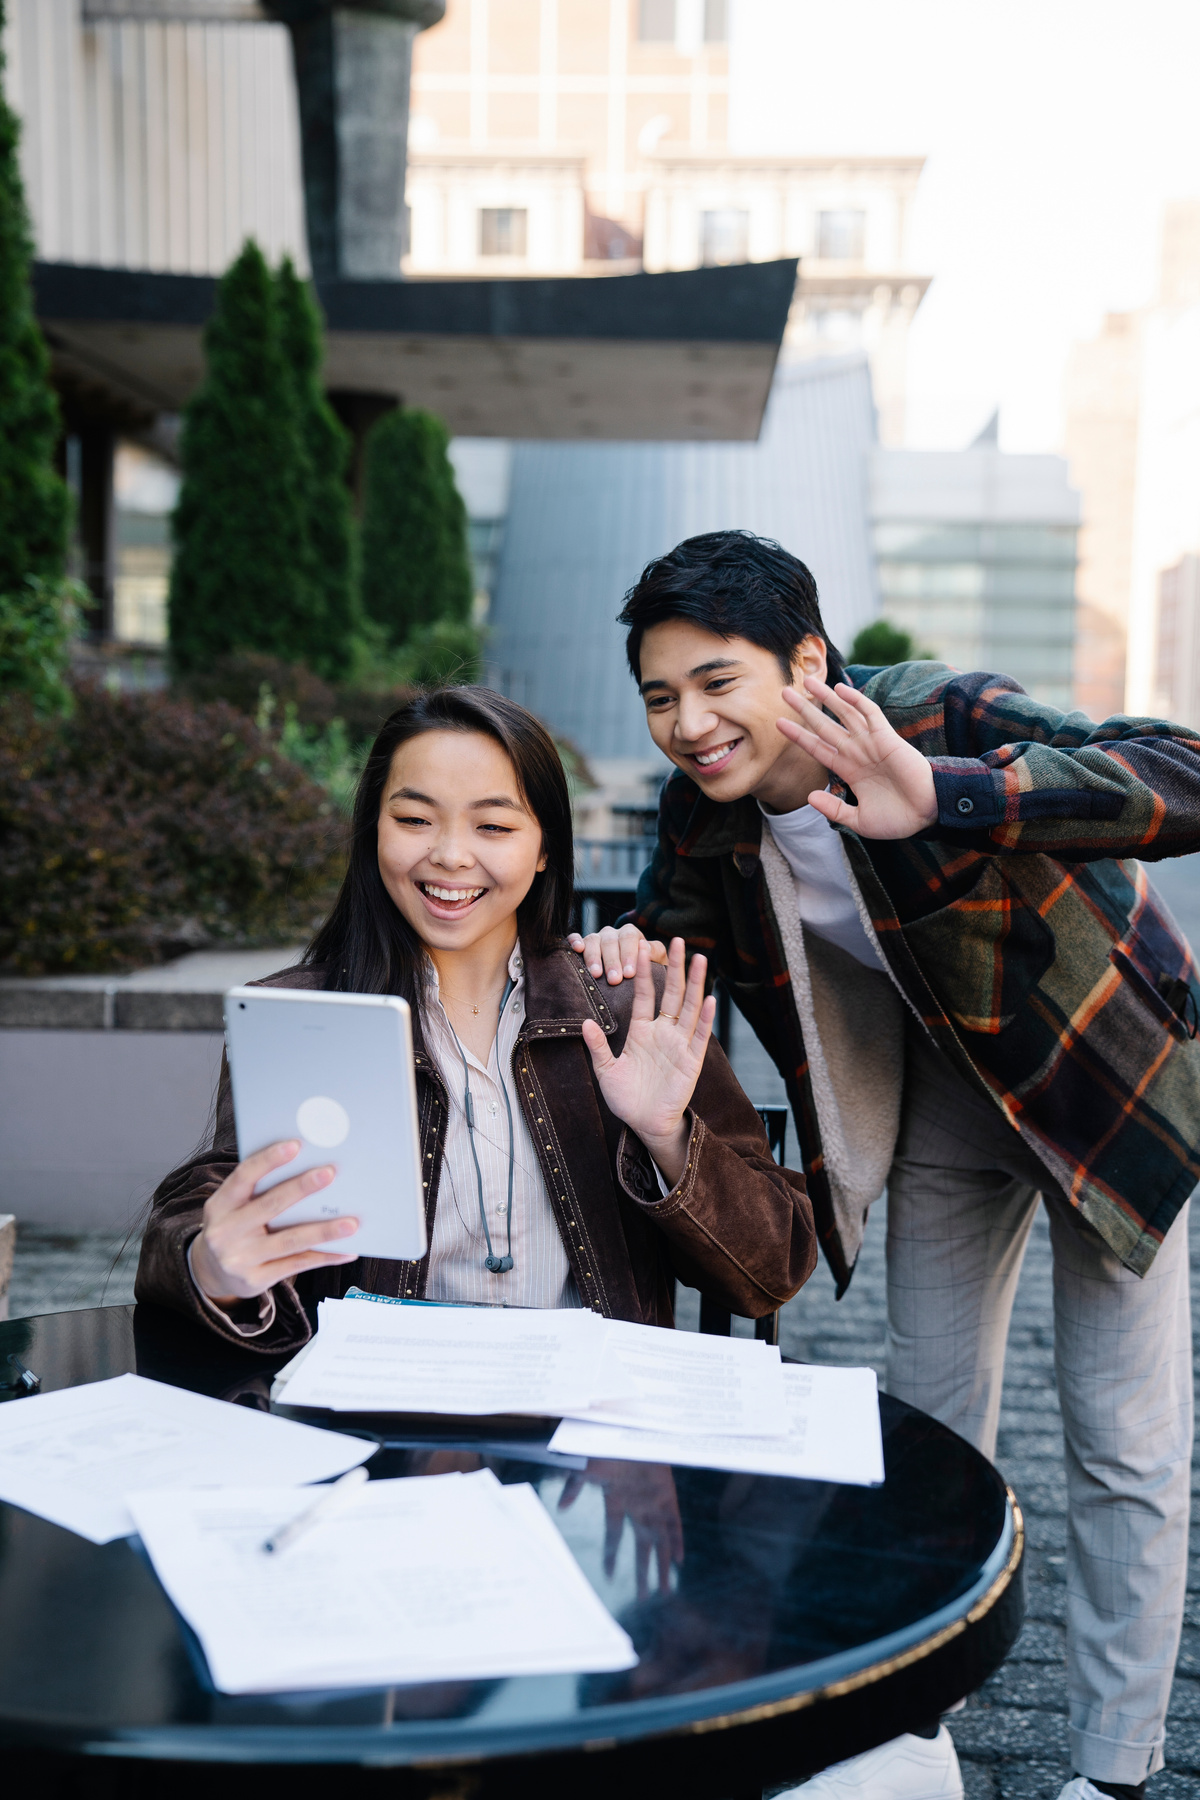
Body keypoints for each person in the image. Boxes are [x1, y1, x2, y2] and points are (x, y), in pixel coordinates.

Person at [568, 529, 1200, 1800]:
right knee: (930, 1427)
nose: (688, 724)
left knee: (1123, 1437)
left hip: (1096, 1082)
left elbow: (1179, 770)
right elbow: (665, 935)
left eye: (716, 682)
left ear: (806, 662)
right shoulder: (711, 816)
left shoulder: (932, 714)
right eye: (659, 696)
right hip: (944, 1110)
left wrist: (953, 793)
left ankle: (1117, 1767)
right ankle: (920, 1720)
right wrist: (615, 957)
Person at [137, 683, 815, 1360]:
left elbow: (774, 1269)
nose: (452, 855)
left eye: (493, 826)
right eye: (414, 820)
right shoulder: (306, 1017)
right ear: (373, 827)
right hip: (382, 1419)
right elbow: (204, 1207)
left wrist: (668, 1140)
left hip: (591, 1427)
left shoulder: (622, 1006)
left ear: (545, 846)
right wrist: (210, 1267)